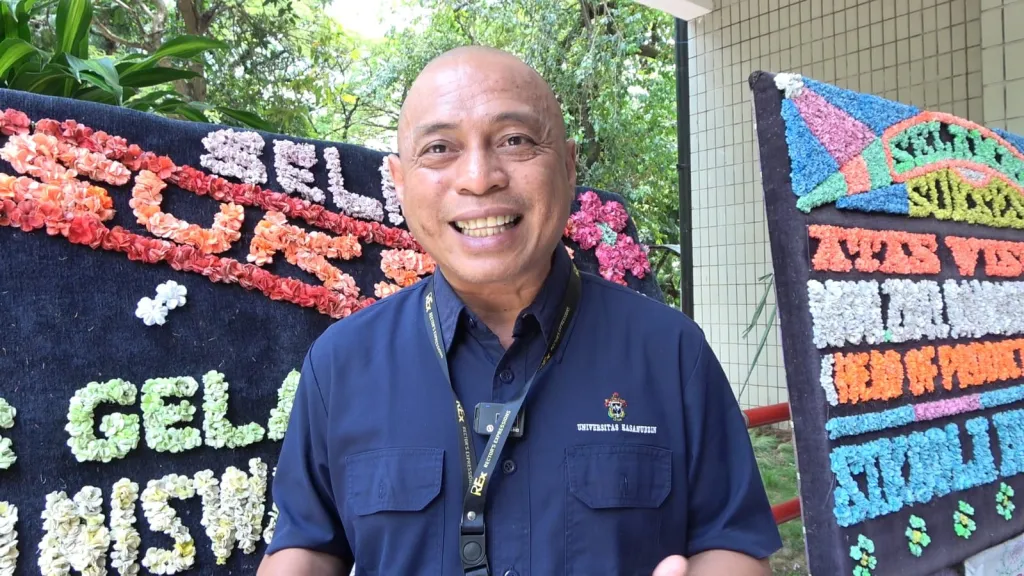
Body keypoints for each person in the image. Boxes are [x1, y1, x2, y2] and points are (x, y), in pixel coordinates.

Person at [257, 45, 782, 576]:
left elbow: (732, 543)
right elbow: (308, 546)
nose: (479, 177)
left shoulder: (671, 351)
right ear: (399, 181)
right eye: (439, 148)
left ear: (569, 166)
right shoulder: (341, 363)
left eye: (515, 140)